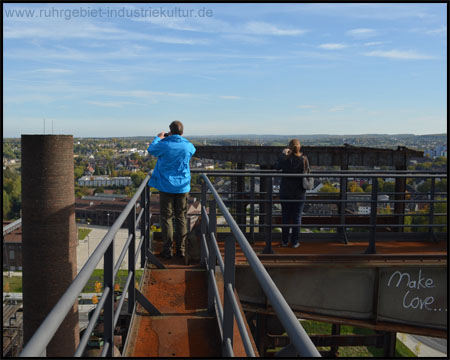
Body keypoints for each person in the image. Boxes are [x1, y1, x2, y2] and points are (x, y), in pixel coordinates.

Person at [147, 121, 196, 259]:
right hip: (182, 187)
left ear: (170, 131)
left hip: (166, 186)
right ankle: (181, 250)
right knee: (181, 218)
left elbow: (151, 150)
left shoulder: (164, 145)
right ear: (182, 132)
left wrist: (159, 137)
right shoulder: (188, 146)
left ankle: (167, 251)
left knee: (166, 218)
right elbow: (192, 150)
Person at [275, 139, 310, 248]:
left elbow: (277, 166)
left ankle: (285, 241)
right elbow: (308, 171)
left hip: (285, 191)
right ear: (299, 147)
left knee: (285, 217)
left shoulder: (285, 159)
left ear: (289, 148)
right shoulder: (304, 159)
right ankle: (294, 242)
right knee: (297, 217)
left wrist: (283, 154)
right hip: (299, 192)